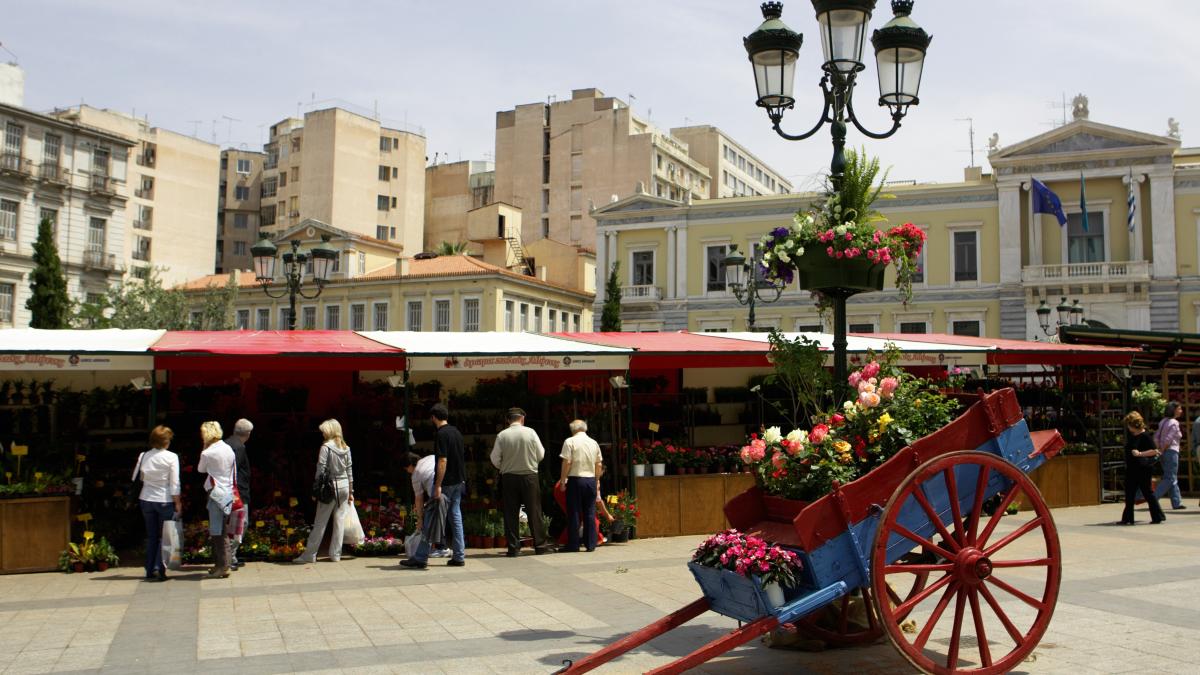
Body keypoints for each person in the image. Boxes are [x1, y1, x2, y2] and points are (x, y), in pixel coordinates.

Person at [403, 404, 466, 569]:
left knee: (430, 519)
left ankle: (420, 558)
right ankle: (459, 556)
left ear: (433, 418)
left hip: (445, 483)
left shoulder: (441, 434)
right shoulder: (457, 432)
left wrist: (438, 485)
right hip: (459, 482)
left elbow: (442, 460)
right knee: (455, 517)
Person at [490, 407, 552, 556]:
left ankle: (513, 548)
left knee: (511, 513)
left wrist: (505, 466)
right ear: (522, 419)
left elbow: (494, 458)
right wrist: (531, 462)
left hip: (509, 477)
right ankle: (540, 546)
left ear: (508, 420)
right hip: (529, 476)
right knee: (534, 511)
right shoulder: (530, 432)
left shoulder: (502, 435)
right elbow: (541, 453)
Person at [294, 419, 355, 564]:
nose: (322, 434)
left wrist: (316, 490)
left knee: (320, 522)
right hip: (344, 486)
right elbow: (350, 470)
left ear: (329, 431)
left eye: (324, 431)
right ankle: (336, 554)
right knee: (339, 521)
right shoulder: (346, 447)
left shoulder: (326, 447)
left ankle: (310, 554)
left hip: (329, 488)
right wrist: (351, 491)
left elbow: (320, 470)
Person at [133, 425, 181, 582]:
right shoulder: (172, 457)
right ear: (166, 441)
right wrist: (178, 503)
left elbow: (139, 477)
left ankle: (149, 568)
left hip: (146, 498)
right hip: (164, 499)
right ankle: (161, 568)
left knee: (152, 536)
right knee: (165, 536)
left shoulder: (144, 455)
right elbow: (175, 484)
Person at [197, 421, 236, 578]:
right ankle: (221, 564)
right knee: (222, 529)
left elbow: (200, 469)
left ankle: (223, 565)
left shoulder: (207, 453)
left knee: (217, 531)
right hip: (228, 491)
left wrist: (204, 449)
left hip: (215, 493)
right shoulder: (228, 448)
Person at [557, 419, 603, 552]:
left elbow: (567, 462)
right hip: (590, 480)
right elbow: (598, 464)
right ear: (585, 428)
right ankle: (591, 544)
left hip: (575, 480)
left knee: (574, 512)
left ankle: (574, 544)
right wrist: (596, 480)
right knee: (590, 512)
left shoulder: (569, 441)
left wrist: (562, 480)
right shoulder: (593, 443)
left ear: (573, 430)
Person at [554, 462, 614, 548]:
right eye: (601, 473)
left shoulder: (585, 470)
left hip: (561, 488)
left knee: (575, 516)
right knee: (589, 517)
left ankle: (566, 540)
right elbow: (598, 501)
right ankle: (594, 539)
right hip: (565, 490)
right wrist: (607, 515)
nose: (600, 476)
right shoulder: (594, 480)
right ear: (599, 469)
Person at [402, 451, 449, 558]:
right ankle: (455, 551)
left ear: (409, 465)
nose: (408, 472)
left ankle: (435, 550)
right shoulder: (431, 457)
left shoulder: (416, 474)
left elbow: (418, 499)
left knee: (430, 520)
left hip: (436, 489)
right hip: (451, 484)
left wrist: (420, 519)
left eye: (406, 469)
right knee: (450, 517)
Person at [1122, 411, 1166, 525]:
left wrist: (1140, 453)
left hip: (1142, 469)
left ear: (1133, 425)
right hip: (1132, 468)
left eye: (1128, 424)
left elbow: (1154, 451)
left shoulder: (1145, 436)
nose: (1127, 427)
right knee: (1129, 493)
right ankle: (1128, 518)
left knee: (1147, 492)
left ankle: (1157, 516)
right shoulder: (1132, 436)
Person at [226, 418, 253, 570]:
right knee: (240, 524)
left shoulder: (228, 443)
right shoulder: (238, 448)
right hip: (238, 492)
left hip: (231, 490)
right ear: (248, 433)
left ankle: (231, 556)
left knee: (232, 524)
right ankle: (230, 556)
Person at [1153, 401, 1186, 510]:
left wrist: (1160, 449)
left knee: (1172, 476)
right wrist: (1163, 448)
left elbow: (1156, 436)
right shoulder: (1174, 422)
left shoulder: (1163, 421)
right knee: (1170, 477)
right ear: (1174, 410)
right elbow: (1169, 438)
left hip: (1164, 451)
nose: (1181, 411)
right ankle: (1153, 498)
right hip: (1171, 451)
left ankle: (1176, 502)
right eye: (1179, 409)